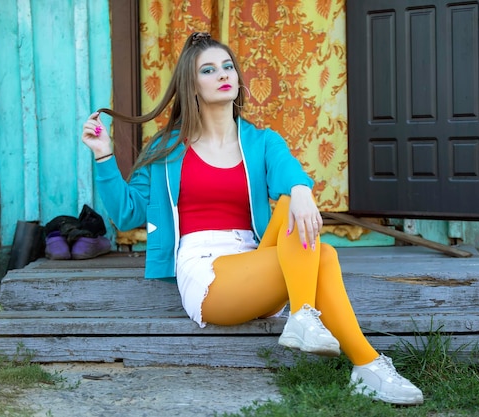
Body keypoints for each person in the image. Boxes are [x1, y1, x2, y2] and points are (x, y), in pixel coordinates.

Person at [81, 32, 423, 406]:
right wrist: (104, 156)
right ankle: (363, 361)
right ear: (192, 86)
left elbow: (287, 171)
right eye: (208, 70)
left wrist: (302, 191)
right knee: (322, 256)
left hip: (257, 257)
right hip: (210, 274)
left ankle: (312, 324)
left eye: (228, 66)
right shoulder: (167, 149)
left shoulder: (261, 141)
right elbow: (128, 213)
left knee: (293, 202)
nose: (223, 74)